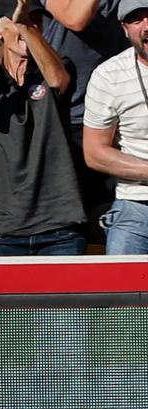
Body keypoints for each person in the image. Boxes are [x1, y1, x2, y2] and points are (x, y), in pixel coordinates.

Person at [0, 0, 87, 255]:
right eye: (19, 20)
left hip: (59, 227)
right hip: (2, 231)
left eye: (36, 22)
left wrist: (23, 26)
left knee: (65, 297)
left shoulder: (58, 67)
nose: (31, 25)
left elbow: (57, 81)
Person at [39, 0, 126, 243]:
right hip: (67, 119)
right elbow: (75, 18)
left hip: (117, 119)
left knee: (111, 221)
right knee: (70, 227)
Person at [83, 0, 148, 253]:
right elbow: (95, 153)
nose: (146, 26)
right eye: (136, 19)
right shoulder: (109, 75)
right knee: (121, 289)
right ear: (124, 29)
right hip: (135, 206)